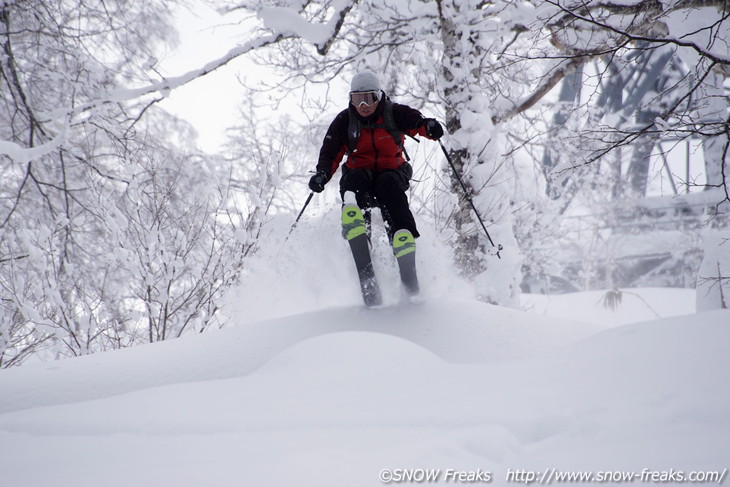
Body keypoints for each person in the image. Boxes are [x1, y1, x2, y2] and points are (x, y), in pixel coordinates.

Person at [307, 70, 443, 304]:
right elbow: (330, 153)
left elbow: (416, 122)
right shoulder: (344, 121)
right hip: (360, 174)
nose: (363, 105)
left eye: (368, 98)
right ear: (350, 100)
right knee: (354, 180)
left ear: (379, 96)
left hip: (392, 172)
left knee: (389, 185)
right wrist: (321, 175)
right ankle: (358, 228)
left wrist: (428, 126)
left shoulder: (393, 113)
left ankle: (401, 234)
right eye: (356, 99)